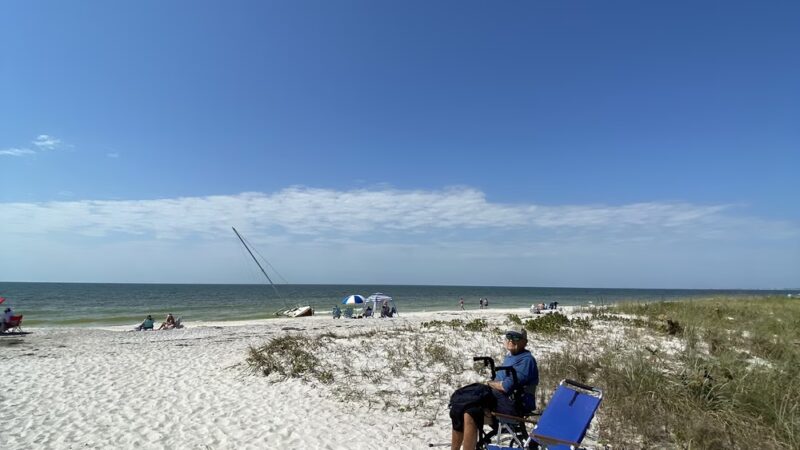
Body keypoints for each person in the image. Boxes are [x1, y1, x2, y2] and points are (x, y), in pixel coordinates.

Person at [449, 326, 538, 450]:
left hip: (514, 406)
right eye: (509, 336)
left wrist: (489, 383)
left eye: (516, 337)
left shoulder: (526, 360)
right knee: (461, 410)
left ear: (525, 342)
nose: (511, 340)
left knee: (471, 412)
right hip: (499, 399)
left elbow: (506, 386)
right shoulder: (510, 357)